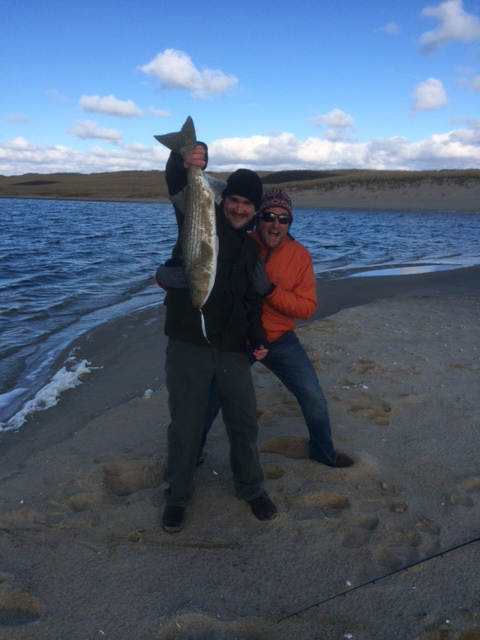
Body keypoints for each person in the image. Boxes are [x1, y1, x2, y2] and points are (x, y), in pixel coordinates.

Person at [157, 144, 277, 533]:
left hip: (232, 350)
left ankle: (250, 488)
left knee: (244, 422)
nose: (239, 209)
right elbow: (177, 184)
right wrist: (185, 160)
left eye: (247, 204)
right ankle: (177, 496)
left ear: (255, 210)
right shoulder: (199, 219)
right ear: (223, 199)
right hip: (188, 345)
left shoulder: (251, 251)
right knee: (186, 426)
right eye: (234, 200)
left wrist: (258, 336)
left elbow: (251, 303)